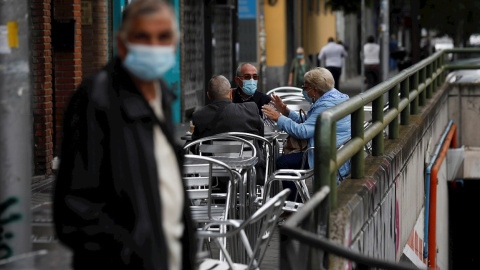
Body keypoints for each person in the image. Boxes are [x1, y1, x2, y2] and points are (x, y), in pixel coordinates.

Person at [53, 1, 196, 269]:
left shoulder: (160, 96)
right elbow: (76, 210)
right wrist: (129, 255)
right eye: (143, 37)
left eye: (163, 37)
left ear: (175, 45)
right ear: (122, 44)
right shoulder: (96, 99)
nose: (154, 46)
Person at [262, 67, 351, 200]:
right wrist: (286, 112)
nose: (303, 90)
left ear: (315, 89)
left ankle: (293, 205)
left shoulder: (325, 105)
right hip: (337, 150)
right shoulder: (336, 97)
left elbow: (303, 131)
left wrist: (278, 117)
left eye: (305, 87)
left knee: (283, 163)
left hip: (326, 154)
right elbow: (311, 123)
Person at [192, 75, 266, 184]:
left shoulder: (200, 116)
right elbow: (260, 138)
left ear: (208, 96)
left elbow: (195, 147)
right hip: (249, 175)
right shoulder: (250, 110)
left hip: (214, 178)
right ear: (231, 93)